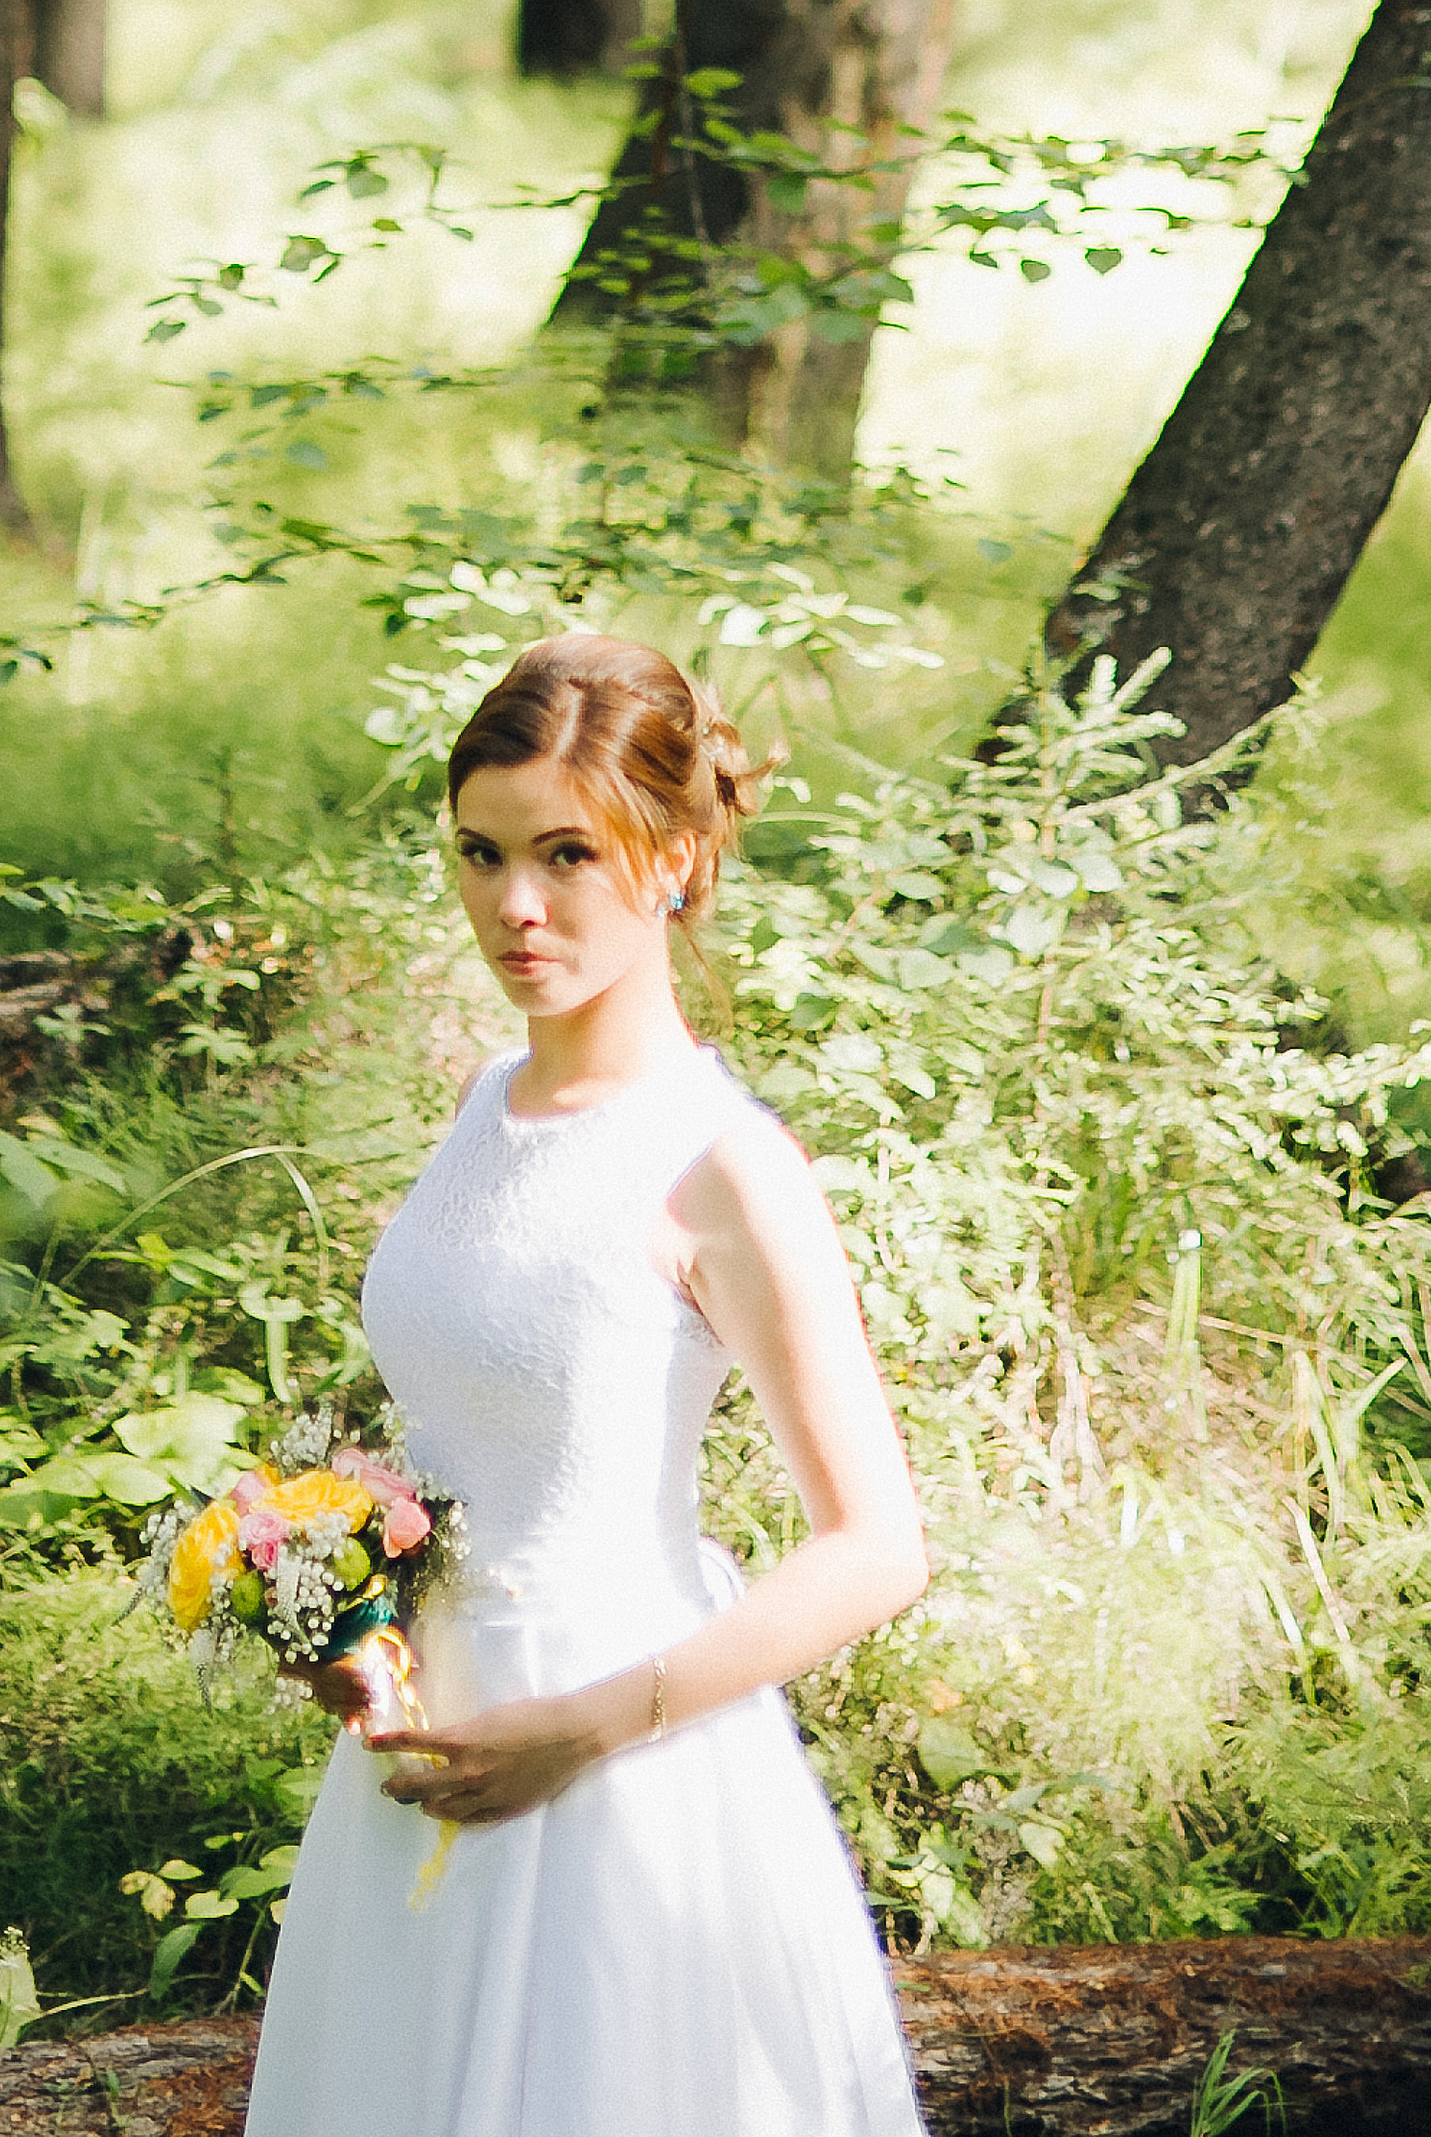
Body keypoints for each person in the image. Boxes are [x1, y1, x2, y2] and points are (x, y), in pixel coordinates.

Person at [242, 632, 930, 2137]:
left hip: (623, 1762)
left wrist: (595, 1724)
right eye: (482, 855)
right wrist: (345, 1615)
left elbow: (880, 1544)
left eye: (567, 852)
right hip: (428, 1748)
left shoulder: (722, 1164)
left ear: (674, 860)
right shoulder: (486, 1103)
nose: (517, 905)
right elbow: (468, 1428)